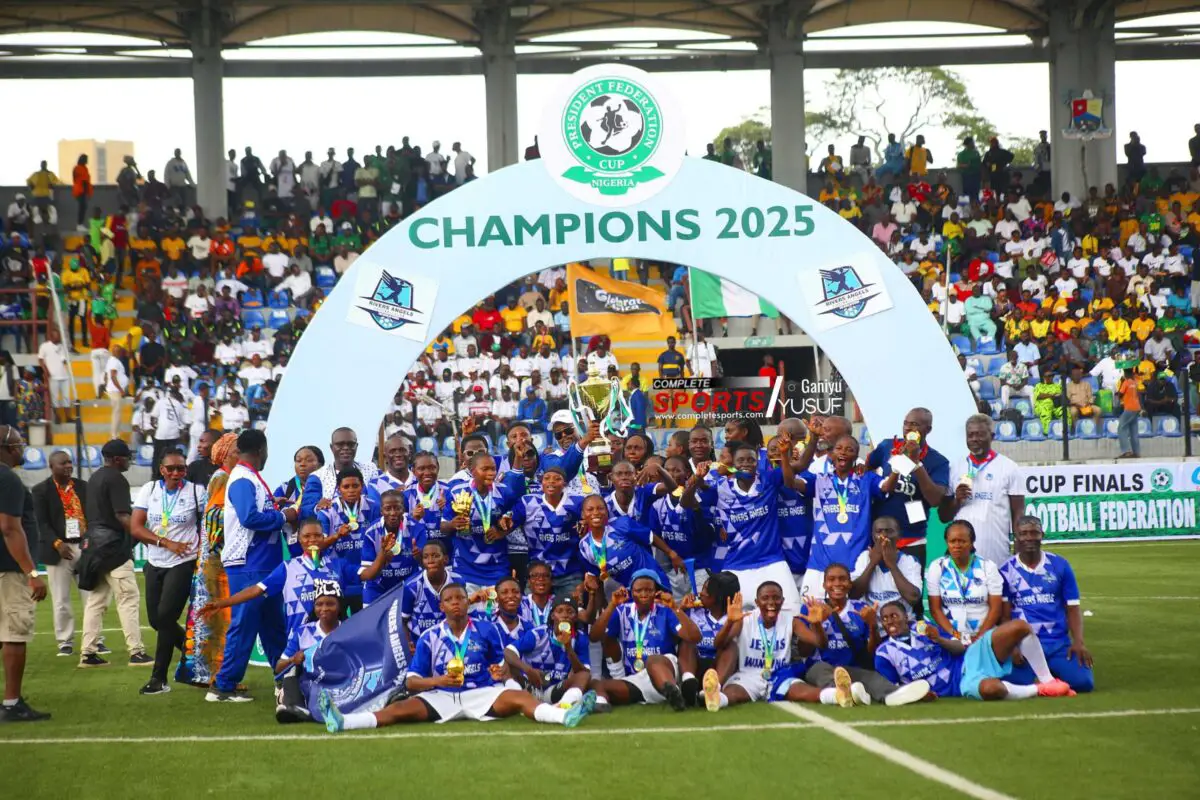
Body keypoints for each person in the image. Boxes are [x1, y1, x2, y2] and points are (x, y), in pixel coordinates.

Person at [319, 582, 596, 731]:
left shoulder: (487, 629)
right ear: (441, 606)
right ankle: (344, 722)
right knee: (398, 711)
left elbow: (501, 667)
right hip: (442, 694)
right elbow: (412, 682)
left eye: (460, 598)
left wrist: (500, 672)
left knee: (521, 699)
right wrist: (439, 681)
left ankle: (564, 717)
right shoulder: (430, 636)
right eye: (449, 600)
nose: (456, 603)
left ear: (467, 602)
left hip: (481, 693)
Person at [210, 429, 299, 702]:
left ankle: (286, 679)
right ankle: (223, 686)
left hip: (262, 561)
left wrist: (274, 508)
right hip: (249, 561)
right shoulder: (242, 479)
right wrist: (283, 516)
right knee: (245, 623)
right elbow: (249, 518)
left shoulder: (248, 477)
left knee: (273, 625)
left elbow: (254, 512)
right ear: (261, 450)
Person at [875, 603, 1075, 701]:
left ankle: (1048, 680)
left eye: (894, 616)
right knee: (992, 689)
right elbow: (895, 691)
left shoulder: (923, 626)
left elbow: (959, 647)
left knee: (1020, 627)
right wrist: (920, 696)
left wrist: (939, 639)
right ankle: (1040, 690)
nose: (890, 621)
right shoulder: (884, 653)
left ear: (906, 617)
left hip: (969, 659)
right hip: (962, 684)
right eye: (885, 618)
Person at [796, 563, 931, 707]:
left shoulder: (860, 609)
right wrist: (816, 624)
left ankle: (893, 694)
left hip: (851, 668)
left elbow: (872, 651)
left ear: (850, 584)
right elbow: (804, 652)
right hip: (819, 667)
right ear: (824, 585)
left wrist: (872, 625)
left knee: (871, 677)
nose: (837, 583)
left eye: (842, 579)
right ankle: (844, 692)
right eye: (831, 579)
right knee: (821, 671)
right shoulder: (812, 608)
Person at [130, 451, 206, 695]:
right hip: (155, 561)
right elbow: (135, 527)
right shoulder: (150, 489)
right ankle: (196, 654)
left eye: (181, 469)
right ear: (161, 469)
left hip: (183, 563)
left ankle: (159, 679)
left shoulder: (196, 492)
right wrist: (165, 543)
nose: (176, 473)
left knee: (165, 618)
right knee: (156, 620)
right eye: (171, 468)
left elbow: (208, 526)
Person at [1001, 516, 1095, 692]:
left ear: (1042, 535)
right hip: (1024, 645)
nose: (1029, 537)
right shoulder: (1005, 570)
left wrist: (1078, 642)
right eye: (1024, 533)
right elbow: (1004, 616)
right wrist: (1011, 647)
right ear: (1016, 537)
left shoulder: (1060, 565)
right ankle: (1047, 678)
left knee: (1084, 683)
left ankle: (1047, 674)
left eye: (1034, 533)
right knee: (1009, 683)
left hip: (1058, 644)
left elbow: (1072, 608)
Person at [702, 581, 829, 711]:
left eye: (776, 598)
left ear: (783, 601)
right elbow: (718, 644)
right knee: (733, 693)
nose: (771, 602)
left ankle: (835, 695)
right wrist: (729, 622)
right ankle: (716, 698)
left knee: (803, 691)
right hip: (748, 675)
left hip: (779, 674)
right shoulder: (745, 619)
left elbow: (821, 643)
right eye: (765, 598)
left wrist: (817, 625)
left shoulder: (791, 620)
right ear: (757, 602)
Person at [175, 432, 238, 688]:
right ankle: (212, 674)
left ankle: (205, 672)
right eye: (236, 451)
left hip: (212, 558)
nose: (241, 455)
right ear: (225, 455)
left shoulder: (224, 477)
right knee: (217, 617)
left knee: (213, 615)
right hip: (216, 560)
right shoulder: (223, 478)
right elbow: (215, 517)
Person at [79, 439, 150, 667]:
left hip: (93, 547)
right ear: (117, 459)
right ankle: (136, 652)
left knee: (96, 600)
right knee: (128, 598)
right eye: (127, 457)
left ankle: (88, 653)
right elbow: (122, 515)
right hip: (114, 547)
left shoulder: (94, 478)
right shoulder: (116, 478)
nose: (129, 460)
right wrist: (144, 535)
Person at [588, 570, 702, 711]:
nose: (644, 594)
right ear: (631, 592)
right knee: (597, 684)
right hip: (637, 679)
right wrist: (612, 605)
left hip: (666, 671)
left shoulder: (665, 610)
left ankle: (674, 691)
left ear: (656, 592)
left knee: (653, 660)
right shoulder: (622, 611)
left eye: (649, 590)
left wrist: (674, 607)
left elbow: (695, 637)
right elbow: (594, 636)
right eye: (639, 590)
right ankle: (602, 704)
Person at [0, 425, 50, 721]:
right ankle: (12, 703)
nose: (22, 448)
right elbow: (9, 528)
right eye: (19, 444)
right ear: (7, 448)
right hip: (9, 569)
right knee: (14, 634)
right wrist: (31, 572)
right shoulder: (7, 478)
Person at [939, 414, 1024, 567]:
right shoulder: (954, 468)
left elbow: (1018, 512)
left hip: (997, 554)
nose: (974, 439)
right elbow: (944, 516)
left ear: (992, 436)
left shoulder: (1009, 467)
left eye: (980, 434)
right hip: (962, 556)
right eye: (970, 435)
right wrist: (957, 500)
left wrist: (1019, 549)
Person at [864, 407, 949, 557]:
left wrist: (916, 464)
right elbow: (867, 468)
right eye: (906, 423)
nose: (908, 428)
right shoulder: (887, 446)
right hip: (880, 535)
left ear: (928, 429)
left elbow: (935, 500)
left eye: (915, 424)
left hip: (912, 538)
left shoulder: (938, 461)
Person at [32, 450, 88, 658]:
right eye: (63, 463)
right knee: (61, 598)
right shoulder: (40, 491)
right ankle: (65, 641)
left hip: (84, 547)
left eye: (69, 462)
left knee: (91, 597)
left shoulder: (83, 487)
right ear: (51, 466)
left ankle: (94, 640)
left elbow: (92, 515)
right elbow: (42, 523)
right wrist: (58, 544)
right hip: (58, 550)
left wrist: (89, 542)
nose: (68, 466)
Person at [927, 520, 1003, 644]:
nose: (957, 545)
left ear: (972, 543)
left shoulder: (988, 566)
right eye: (952, 541)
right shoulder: (937, 567)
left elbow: (996, 609)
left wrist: (978, 638)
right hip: (952, 635)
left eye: (962, 541)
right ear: (947, 542)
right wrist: (960, 637)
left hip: (984, 634)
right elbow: (935, 610)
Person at [850, 516, 922, 621]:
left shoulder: (909, 560)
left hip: (901, 624)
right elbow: (853, 594)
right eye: (879, 531)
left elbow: (913, 598)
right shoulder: (864, 557)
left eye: (889, 531)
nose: (883, 535)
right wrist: (872, 563)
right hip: (872, 623)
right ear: (873, 536)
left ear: (899, 535)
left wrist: (892, 565)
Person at [313, 426, 380, 499]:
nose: (346, 448)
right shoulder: (318, 476)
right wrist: (319, 505)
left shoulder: (370, 469)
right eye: (340, 444)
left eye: (351, 444)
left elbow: (379, 498)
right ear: (331, 447)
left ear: (356, 446)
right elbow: (310, 504)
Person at [1116, 368, 1142, 459]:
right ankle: (1136, 452)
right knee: (1133, 430)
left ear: (1125, 374)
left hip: (1129, 408)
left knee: (1121, 428)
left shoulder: (1126, 382)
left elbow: (1120, 394)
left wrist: (1121, 384)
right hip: (1136, 407)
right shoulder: (1135, 382)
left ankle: (1126, 451)